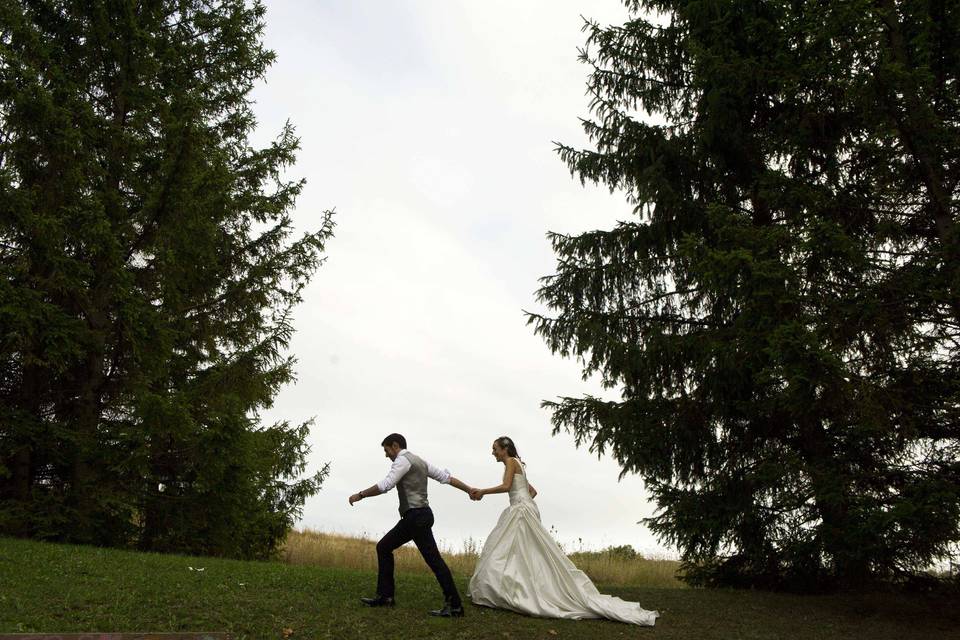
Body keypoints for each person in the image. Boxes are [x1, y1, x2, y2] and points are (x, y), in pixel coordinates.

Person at [467, 436, 659, 626]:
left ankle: (511, 590)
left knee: (509, 549)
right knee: (526, 551)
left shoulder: (510, 461)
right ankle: (516, 588)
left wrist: (483, 491)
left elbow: (507, 486)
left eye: (495, 449)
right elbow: (532, 491)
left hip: (520, 511)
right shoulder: (519, 463)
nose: (493, 453)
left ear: (505, 449)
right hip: (526, 508)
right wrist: (524, 501)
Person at [349, 433, 474, 617]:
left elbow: (386, 485)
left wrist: (360, 494)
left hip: (415, 517)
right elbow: (446, 478)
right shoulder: (420, 461)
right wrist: (469, 489)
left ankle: (454, 606)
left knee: (431, 560)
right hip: (420, 516)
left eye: (386, 450)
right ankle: (386, 597)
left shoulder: (402, 461)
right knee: (385, 547)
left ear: (395, 445)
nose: (386, 455)